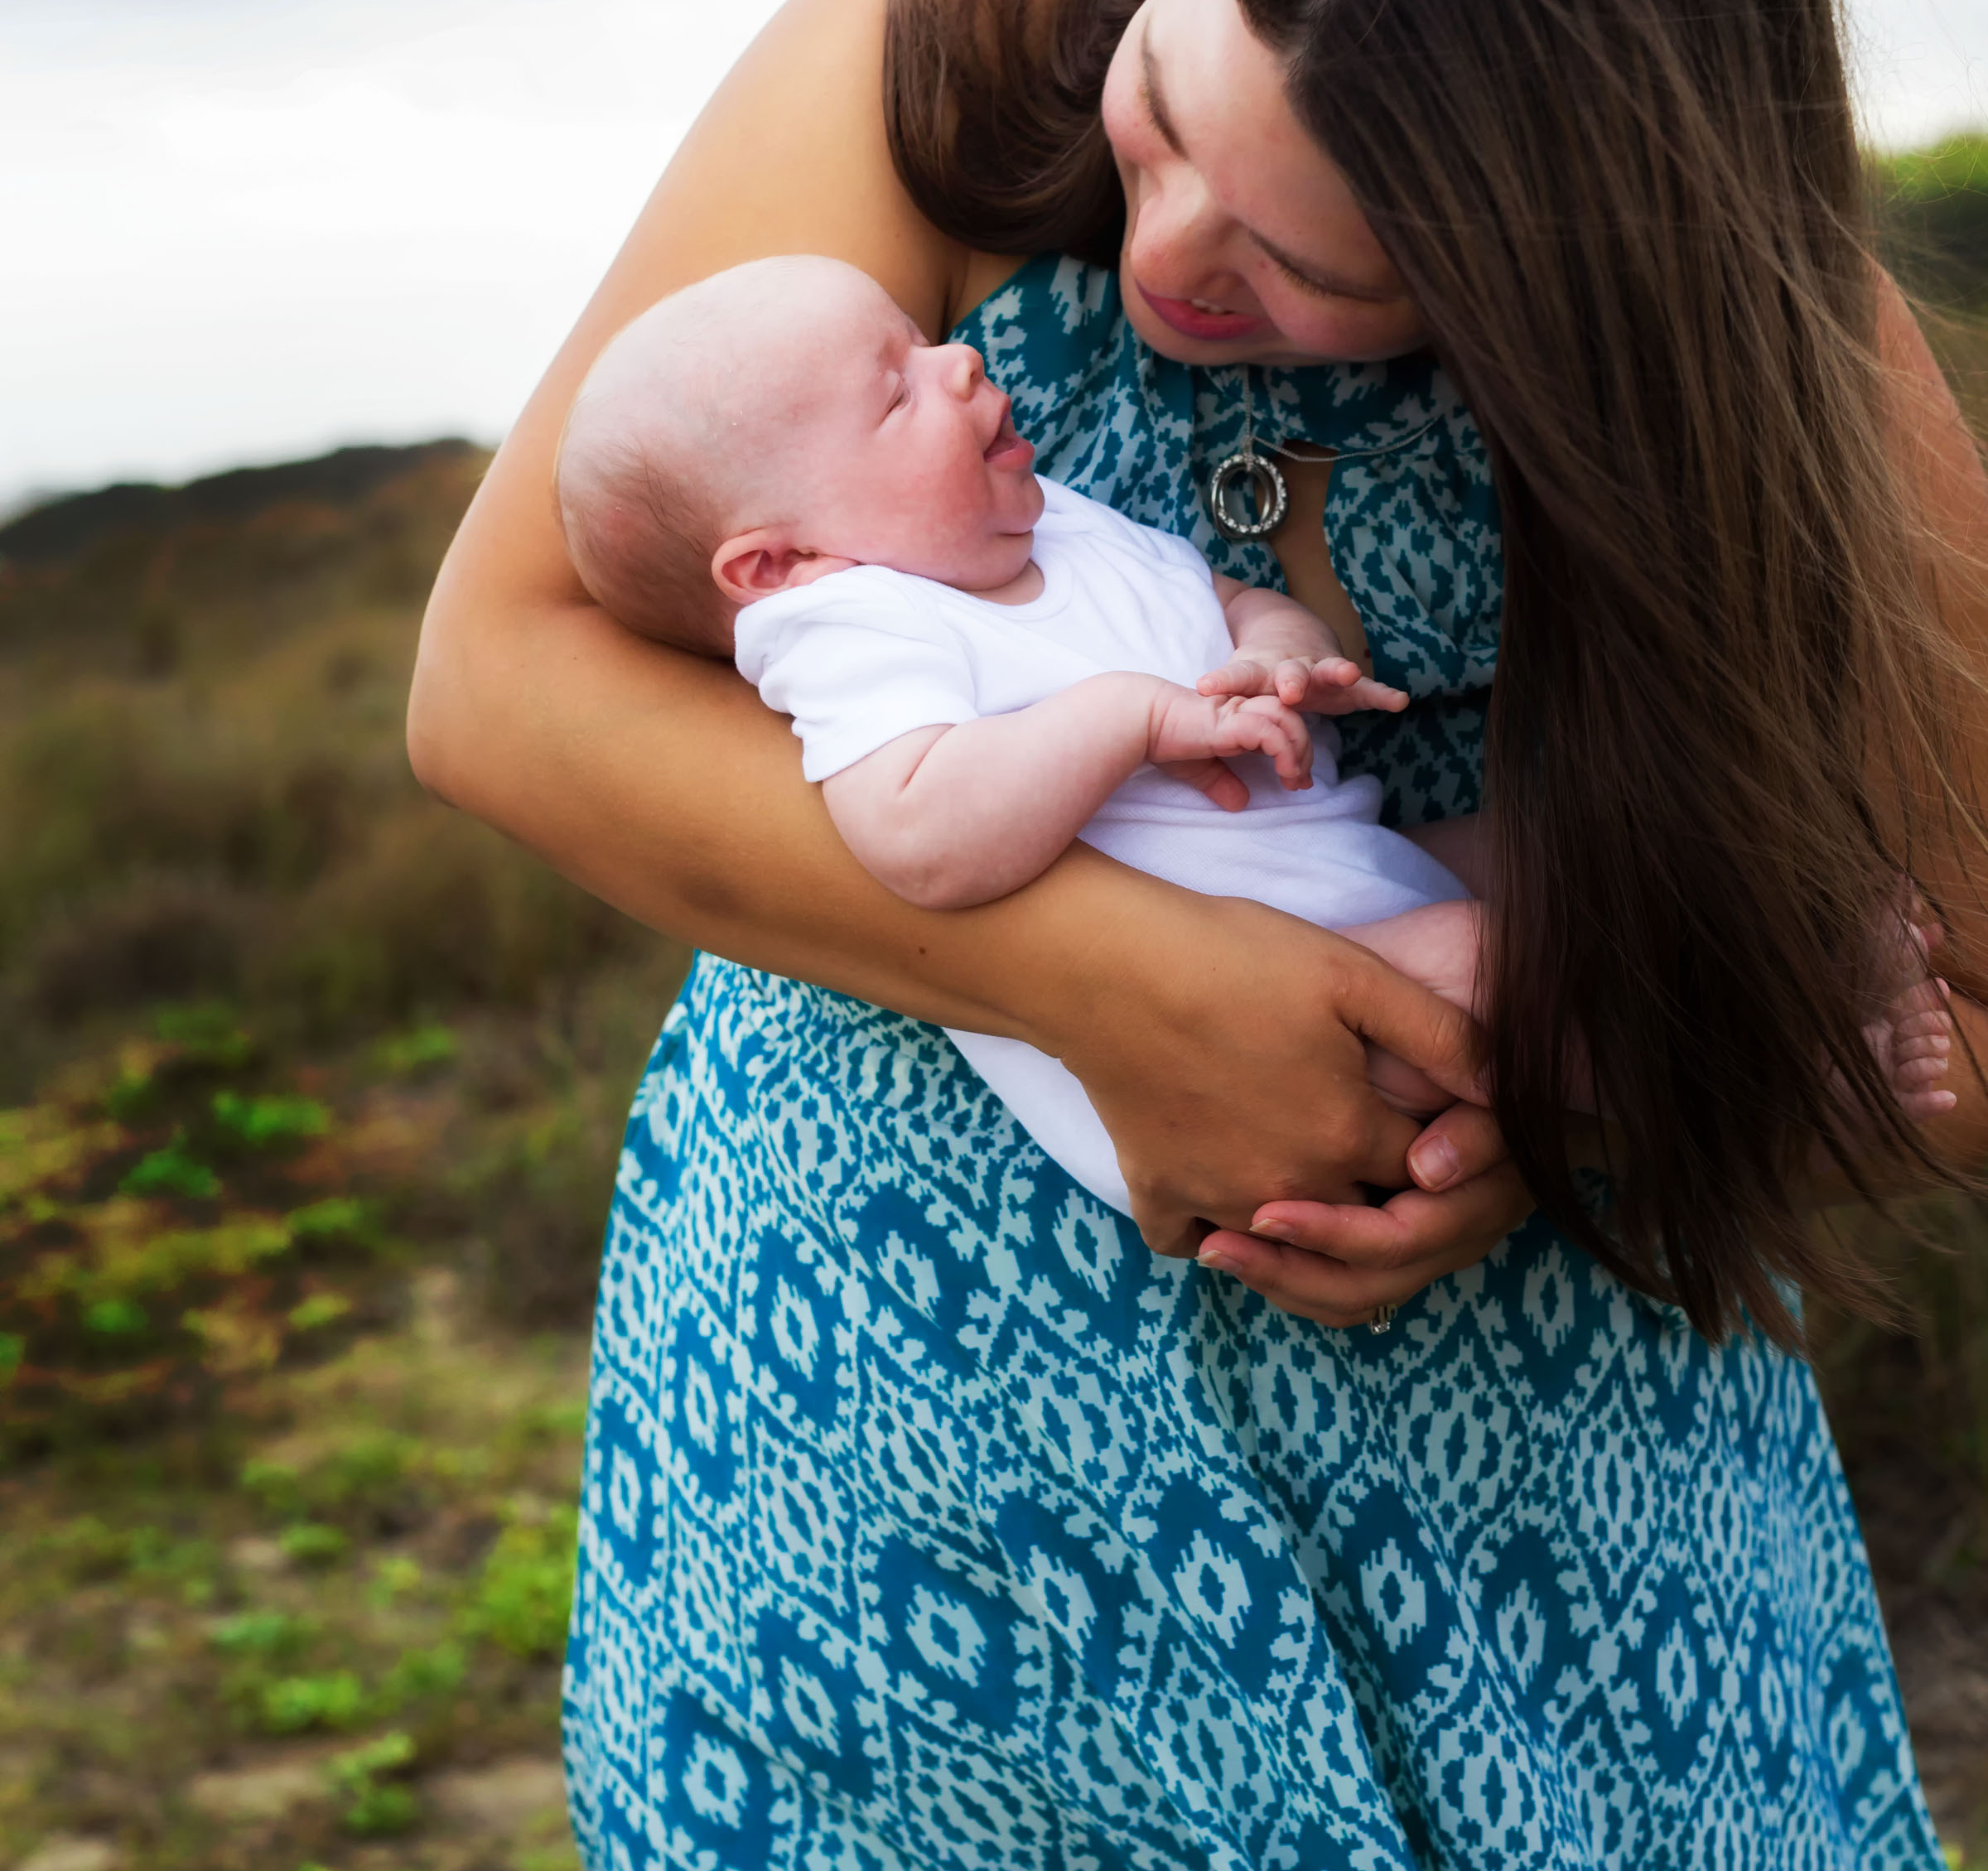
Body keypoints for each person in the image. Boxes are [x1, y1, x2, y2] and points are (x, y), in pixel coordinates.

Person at [410, 0, 1988, 1871]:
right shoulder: (973, 12)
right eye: (1164, 125)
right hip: (917, 1554)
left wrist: (1589, 1081)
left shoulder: (1774, 346)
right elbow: (499, 682)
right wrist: (1134, 987)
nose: (1160, 273)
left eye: (1298, 269)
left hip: (1573, 1603)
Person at [551, 253, 1955, 1209]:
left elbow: (1210, 593)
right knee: (1495, 968)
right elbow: (917, 831)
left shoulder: (1030, 523)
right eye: (895, 392)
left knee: (1567, 845)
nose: (964, 366)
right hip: (1261, 991)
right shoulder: (849, 631)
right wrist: (1130, 718)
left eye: (931, 344)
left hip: (1340, 870)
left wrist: (1281, 654)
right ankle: (1793, 1093)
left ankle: (1828, 946)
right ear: (774, 564)